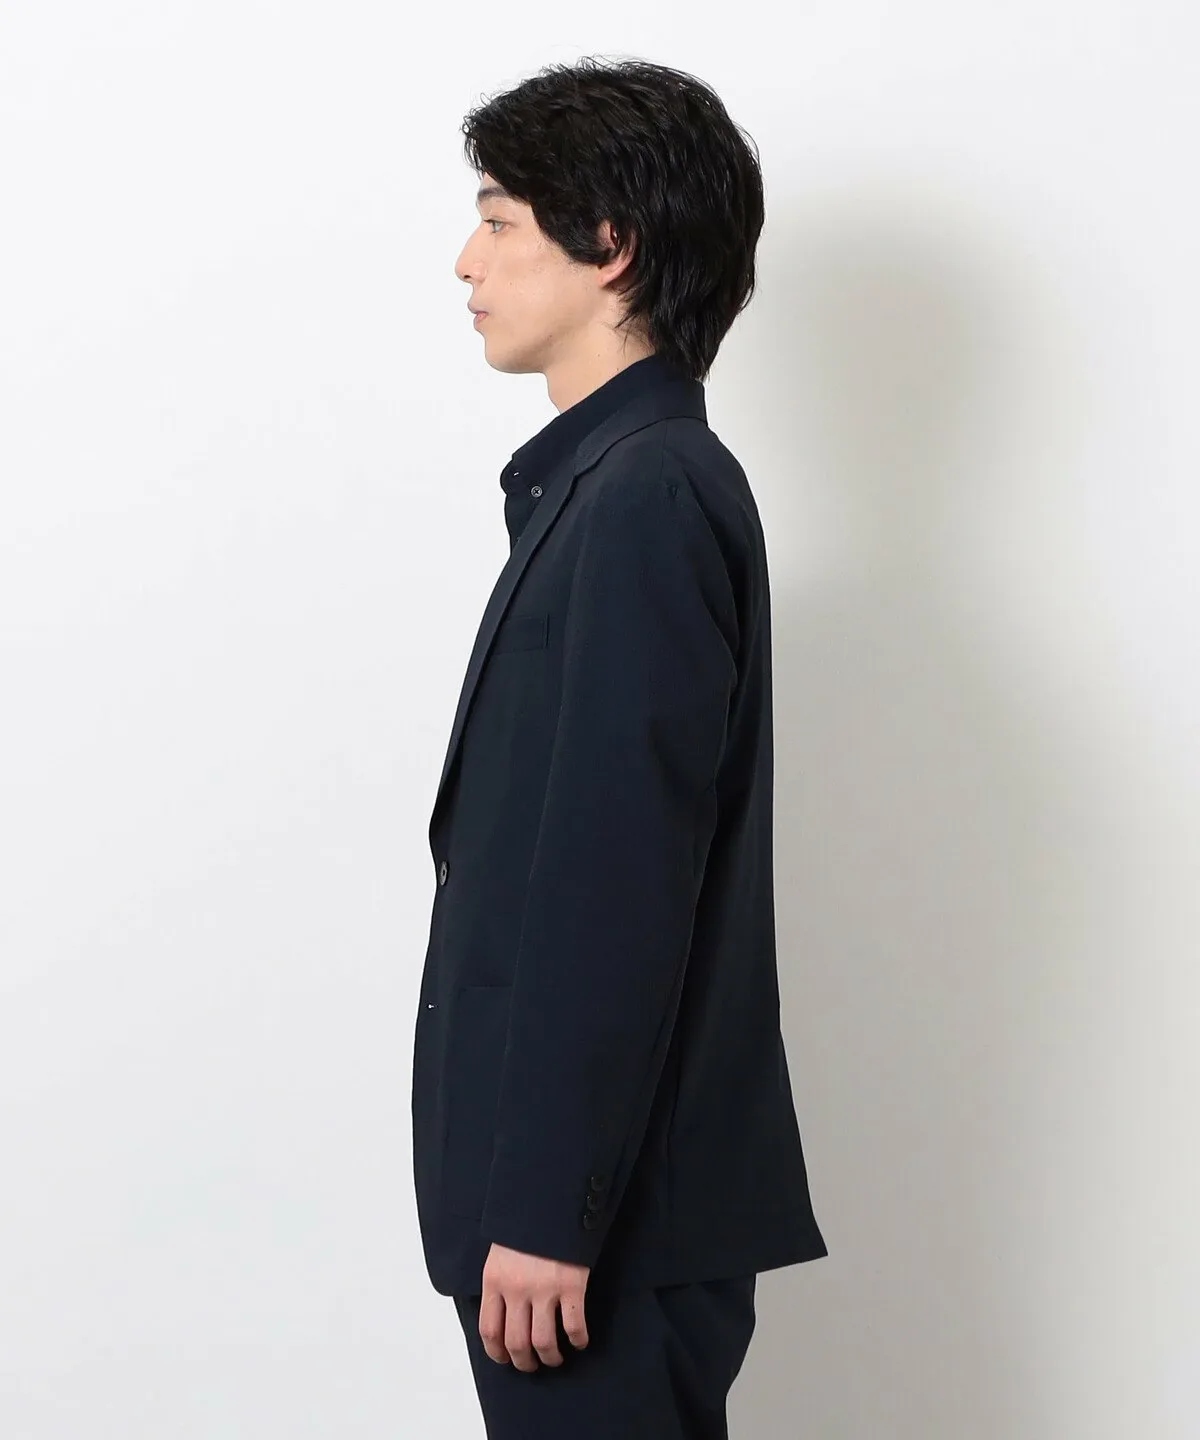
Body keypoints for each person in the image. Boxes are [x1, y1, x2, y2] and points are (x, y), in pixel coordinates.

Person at [411, 56, 827, 1439]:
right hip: (593, 1223)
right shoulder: (608, 487)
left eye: (499, 220)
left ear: (612, 248)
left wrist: (549, 1210)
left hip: (601, 1236)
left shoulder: (644, 496)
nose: (467, 260)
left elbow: (617, 886)